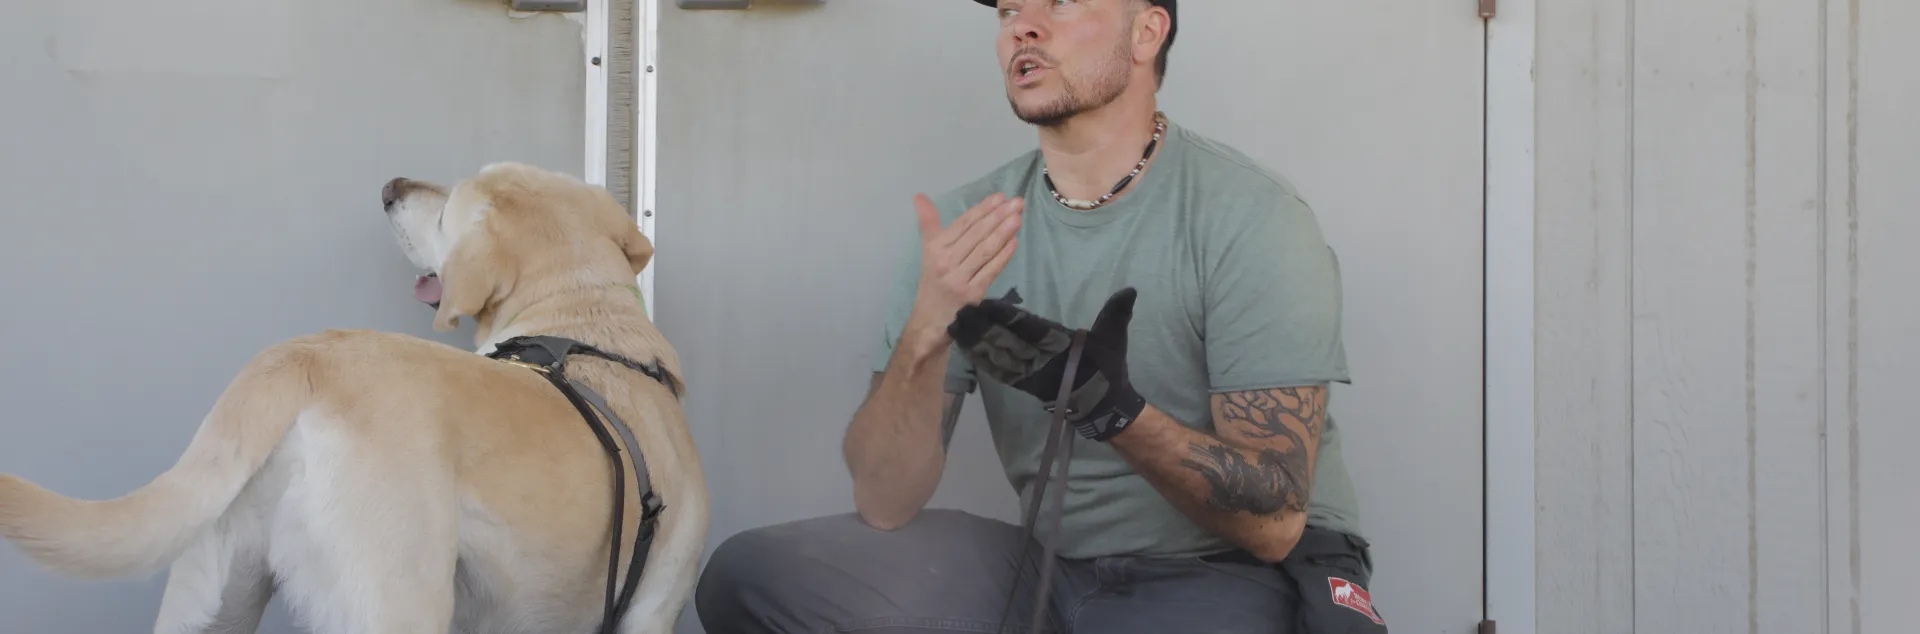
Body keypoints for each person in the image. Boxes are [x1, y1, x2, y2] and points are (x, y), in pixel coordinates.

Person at [694, 1, 1386, 632]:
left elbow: (1274, 524)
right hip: (1051, 569)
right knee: (752, 576)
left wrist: (1111, 410)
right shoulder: (967, 227)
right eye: (1009, 11)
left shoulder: (1249, 216)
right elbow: (884, 500)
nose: (1022, 26)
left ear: (1146, 32)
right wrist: (926, 332)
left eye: (1058, 3)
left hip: (1227, 572)